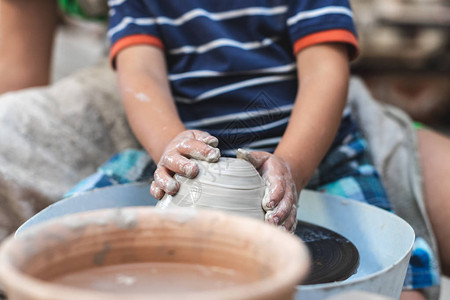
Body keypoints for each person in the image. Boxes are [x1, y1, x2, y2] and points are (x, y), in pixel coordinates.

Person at [100, 1, 440, 299]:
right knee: (84, 245)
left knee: (393, 279)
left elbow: (325, 72)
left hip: (317, 159)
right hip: (185, 166)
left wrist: (293, 168)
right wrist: (171, 148)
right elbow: (141, 75)